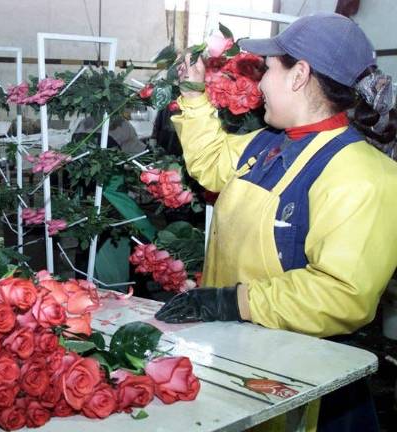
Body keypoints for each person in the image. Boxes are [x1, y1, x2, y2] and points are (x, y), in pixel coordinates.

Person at [154, 13, 397, 431]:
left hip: (297, 379)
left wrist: (234, 301)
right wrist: (193, 95)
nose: (260, 82)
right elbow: (212, 164)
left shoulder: (366, 176)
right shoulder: (267, 144)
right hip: (234, 352)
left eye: (268, 70)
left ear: (299, 74)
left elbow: (342, 294)